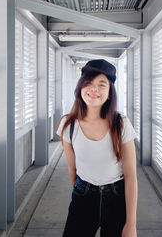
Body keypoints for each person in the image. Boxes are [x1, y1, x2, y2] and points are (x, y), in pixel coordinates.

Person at [56, 59, 138, 237]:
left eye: (102, 85)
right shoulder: (68, 125)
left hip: (116, 197)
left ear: (109, 93)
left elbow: (131, 176)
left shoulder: (121, 124)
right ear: (80, 88)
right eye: (89, 83)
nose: (94, 90)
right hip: (83, 195)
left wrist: (131, 224)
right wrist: (82, 193)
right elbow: (73, 168)